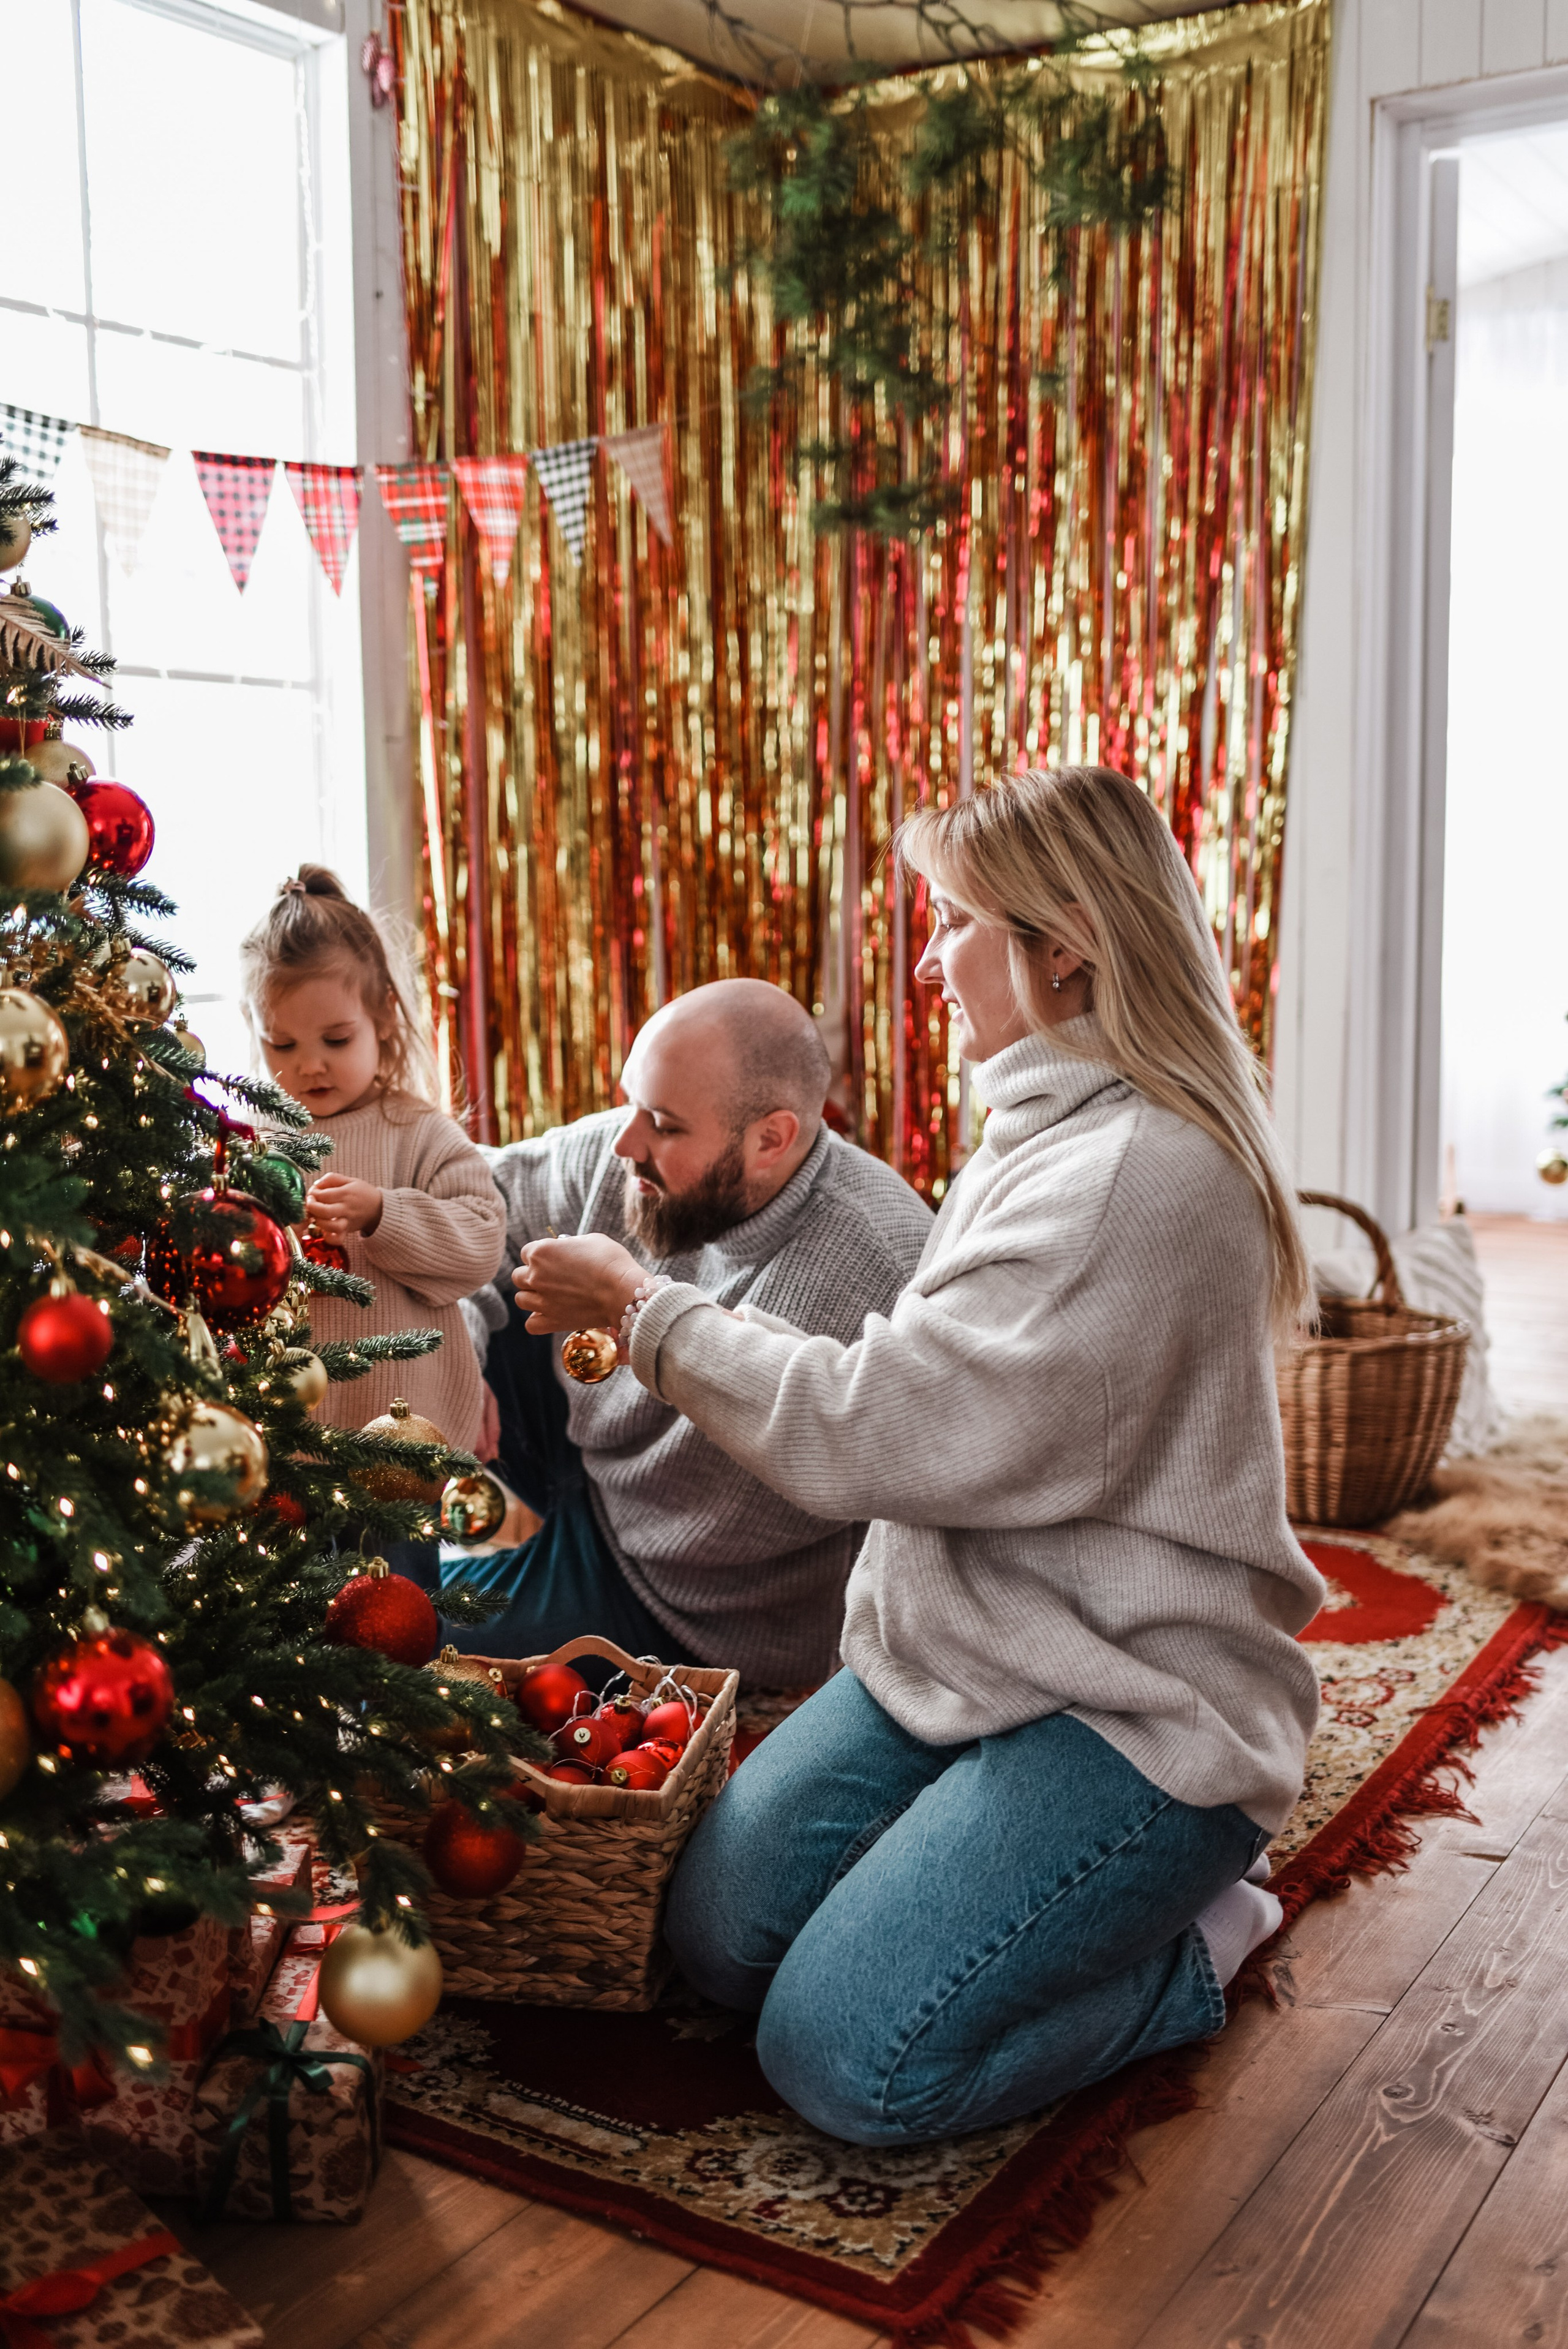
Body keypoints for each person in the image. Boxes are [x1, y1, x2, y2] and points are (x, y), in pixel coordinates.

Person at [511, 766, 1325, 2147]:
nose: (926, 955)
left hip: (1125, 1702)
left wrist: (643, 1315)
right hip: (964, 1651)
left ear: (1059, 945)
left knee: (846, 2060)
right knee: (714, 1941)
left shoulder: (1136, 1175)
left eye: (952, 921)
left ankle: (1198, 1938)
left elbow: (863, 1430)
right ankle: (989, 1862)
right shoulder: (1048, 1120)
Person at [448, 978, 933, 1684]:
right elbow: (465, 1199)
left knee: (423, 1653)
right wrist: (455, 1344)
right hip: (589, 1461)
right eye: (632, 1102)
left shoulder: (883, 1265)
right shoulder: (629, 1153)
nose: (625, 1142)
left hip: (684, 1599)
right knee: (420, 1312)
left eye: (666, 1125)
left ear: (772, 1139)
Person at [239, 869, 507, 1456]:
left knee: (396, 1550)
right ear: (251, 1025)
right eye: (282, 1045)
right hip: (283, 1438)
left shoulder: (417, 1131)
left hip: (401, 1434)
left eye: (336, 1040)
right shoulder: (252, 1141)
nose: (310, 1066)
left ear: (383, 1015)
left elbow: (483, 1241)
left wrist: (385, 1214)